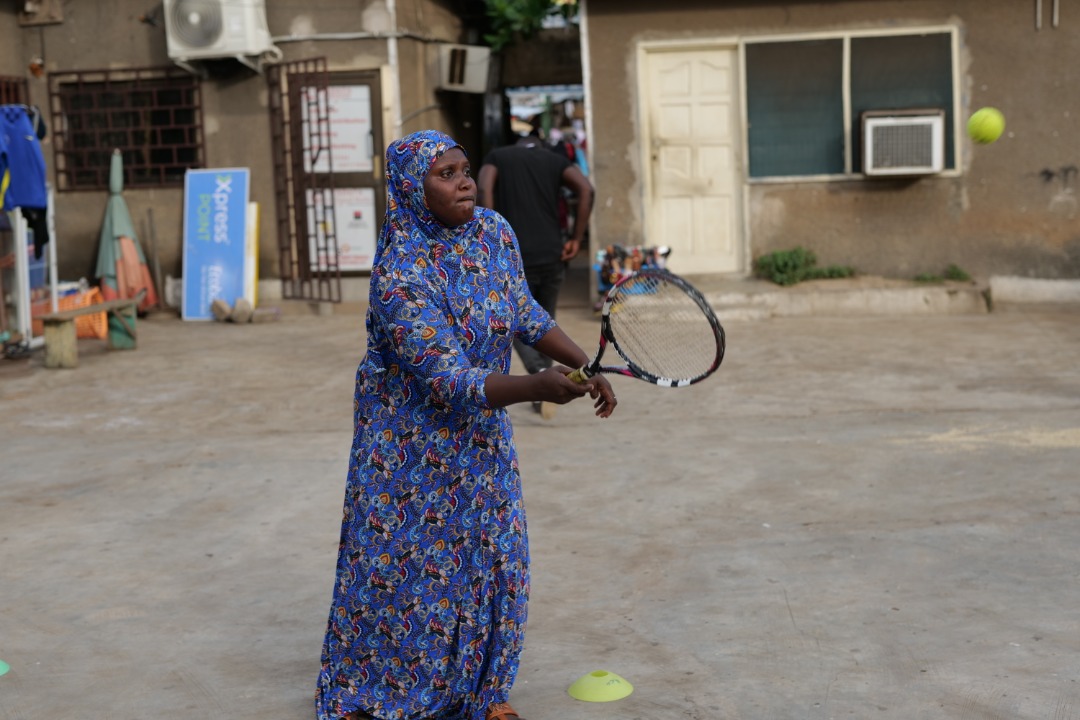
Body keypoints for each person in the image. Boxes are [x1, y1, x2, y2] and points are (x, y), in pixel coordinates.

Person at [316, 130, 617, 720]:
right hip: (405, 446)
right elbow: (448, 378)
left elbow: (524, 311)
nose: (464, 182)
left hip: (480, 434)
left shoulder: (494, 234)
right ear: (409, 188)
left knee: (492, 557)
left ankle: (484, 692)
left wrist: (584, 363)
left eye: (465, 168)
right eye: (445, 173)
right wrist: (537, 385)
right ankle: (369, 694)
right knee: (398, 571)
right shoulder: (398, 273)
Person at [476, 132, 594, 419]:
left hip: (513, 254)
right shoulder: (555, 160)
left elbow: (483, 186)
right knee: (543, 323)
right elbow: (586, 189)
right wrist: (576, 239)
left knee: (511, 320)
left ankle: (540, 376)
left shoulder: (498, 157)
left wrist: (491, 238)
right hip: (552, 251)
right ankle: (542, 380)